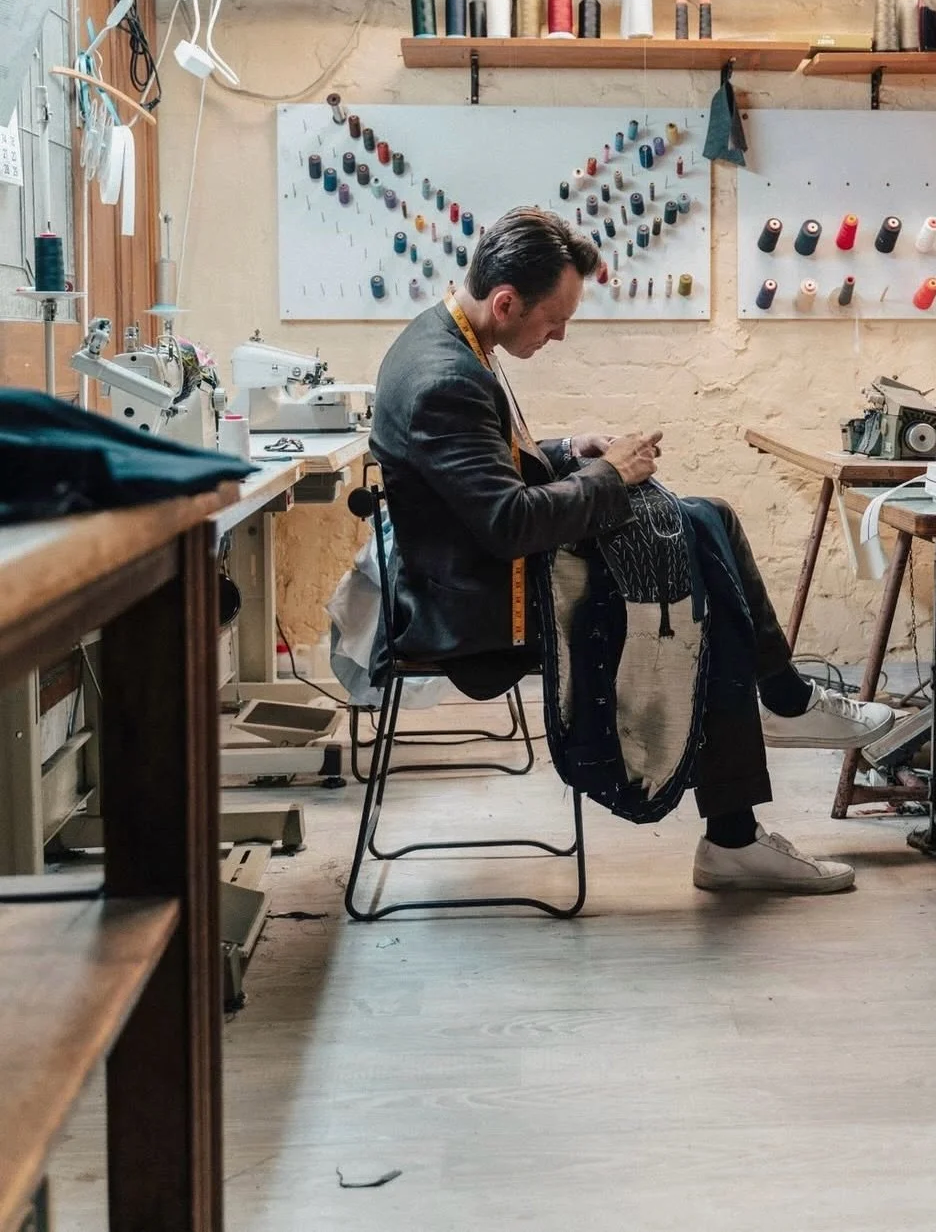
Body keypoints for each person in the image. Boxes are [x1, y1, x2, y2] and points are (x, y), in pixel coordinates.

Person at [371, 207, 896, 895]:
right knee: (697, 565)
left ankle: (777, 714)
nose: (558, 334)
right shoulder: (445, 376)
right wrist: (609, 475)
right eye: (553, 320)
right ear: (506, 301)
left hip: (475, 573)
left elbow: (486, 472)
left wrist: (567, 451)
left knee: (706, 518)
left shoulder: (450, 339)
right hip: (479, 608)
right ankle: (756, 768)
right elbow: (506, 522)